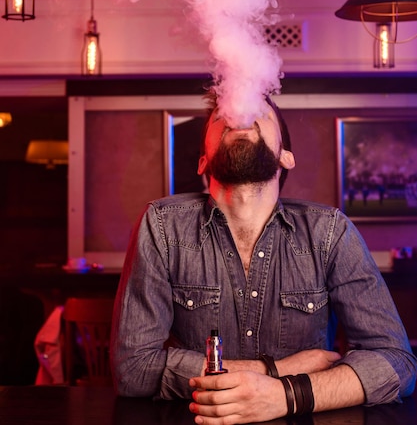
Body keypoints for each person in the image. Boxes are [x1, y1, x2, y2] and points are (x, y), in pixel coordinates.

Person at [110, 92, 417, 423]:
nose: (240, 116)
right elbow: (132, 368)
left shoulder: (330, 232)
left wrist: (285, 396)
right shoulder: (161, 226)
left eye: (260, 114)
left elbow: (396, 362)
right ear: (203, 161)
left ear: (286, 156)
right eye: (222, 117)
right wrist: (277, 370)